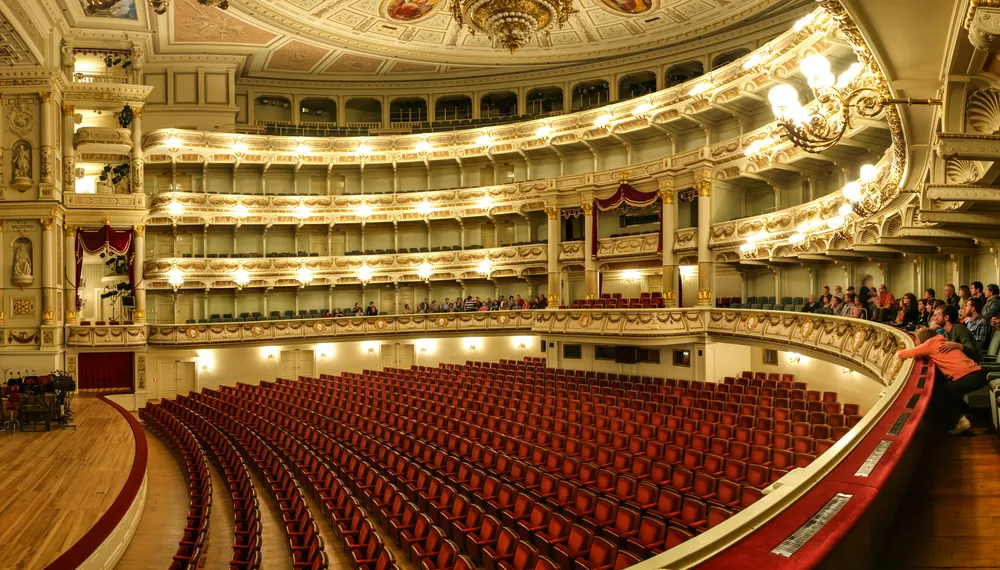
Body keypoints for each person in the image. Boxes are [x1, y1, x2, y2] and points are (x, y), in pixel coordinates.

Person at [897, 326, 988, 435]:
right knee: (944, 389)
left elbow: (902, 354)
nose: (915, 342)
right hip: (978, 374)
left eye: (916, 339)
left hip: (968, 377)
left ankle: (960, 420)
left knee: (937, 394)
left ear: (923, 339)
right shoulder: (942, 340)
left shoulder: (930, 344)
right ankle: (968, 415)